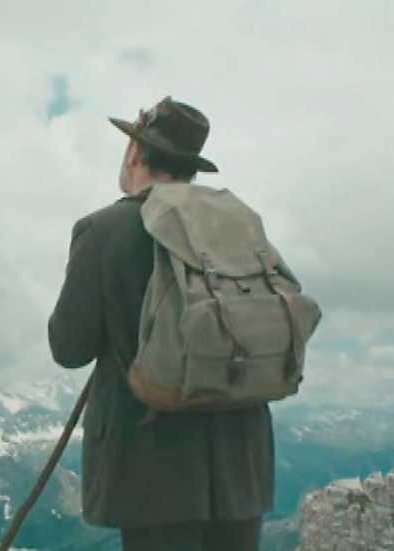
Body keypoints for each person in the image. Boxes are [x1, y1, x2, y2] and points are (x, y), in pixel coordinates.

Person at [48, 97, 274, 551]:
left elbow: (69, 348)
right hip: (241, 461)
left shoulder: (104, 229)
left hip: (152, 472)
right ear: (191, 167)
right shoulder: (239, 224)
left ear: (135, 151)